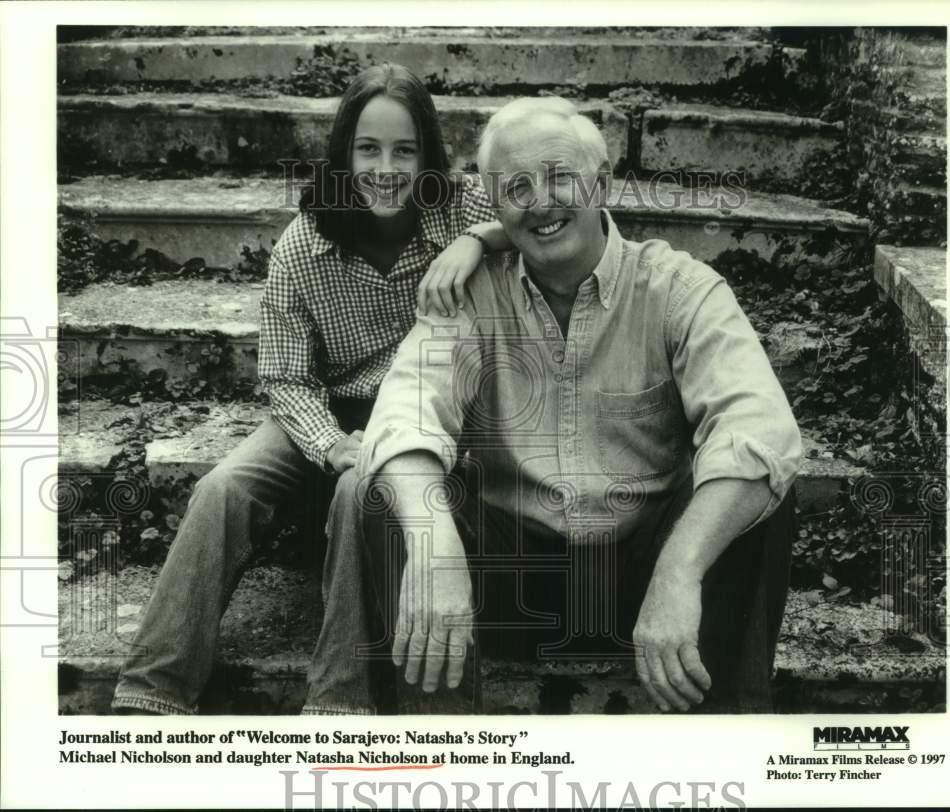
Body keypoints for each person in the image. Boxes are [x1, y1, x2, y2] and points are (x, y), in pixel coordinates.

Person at [352, 97, 803, 714]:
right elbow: (406, 409)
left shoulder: (680, 289)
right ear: (495, 207)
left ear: (602, 182)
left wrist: (678, 570)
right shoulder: (471, 296)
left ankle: (725, 740)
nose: (541, 202)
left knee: (756, 488)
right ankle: (443, 747)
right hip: (509, 586)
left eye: (560, 176)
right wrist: (435, 547)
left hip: (644, 578)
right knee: (391, 493)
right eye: (516, 187)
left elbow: (759, 428)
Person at [111, 63, 508, 715]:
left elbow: (544, 221)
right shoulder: (304, 245)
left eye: (405, 151)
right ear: (343, 153)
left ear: (430, 156)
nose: (386, 168)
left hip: (426, 412)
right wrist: (329, 442)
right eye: (368, 149)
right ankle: (151, 691)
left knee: (361, 489)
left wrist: (474, 239)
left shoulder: (462, 207)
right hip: (326, 408)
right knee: (223, 488)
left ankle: (337, 702)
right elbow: (287, 378)